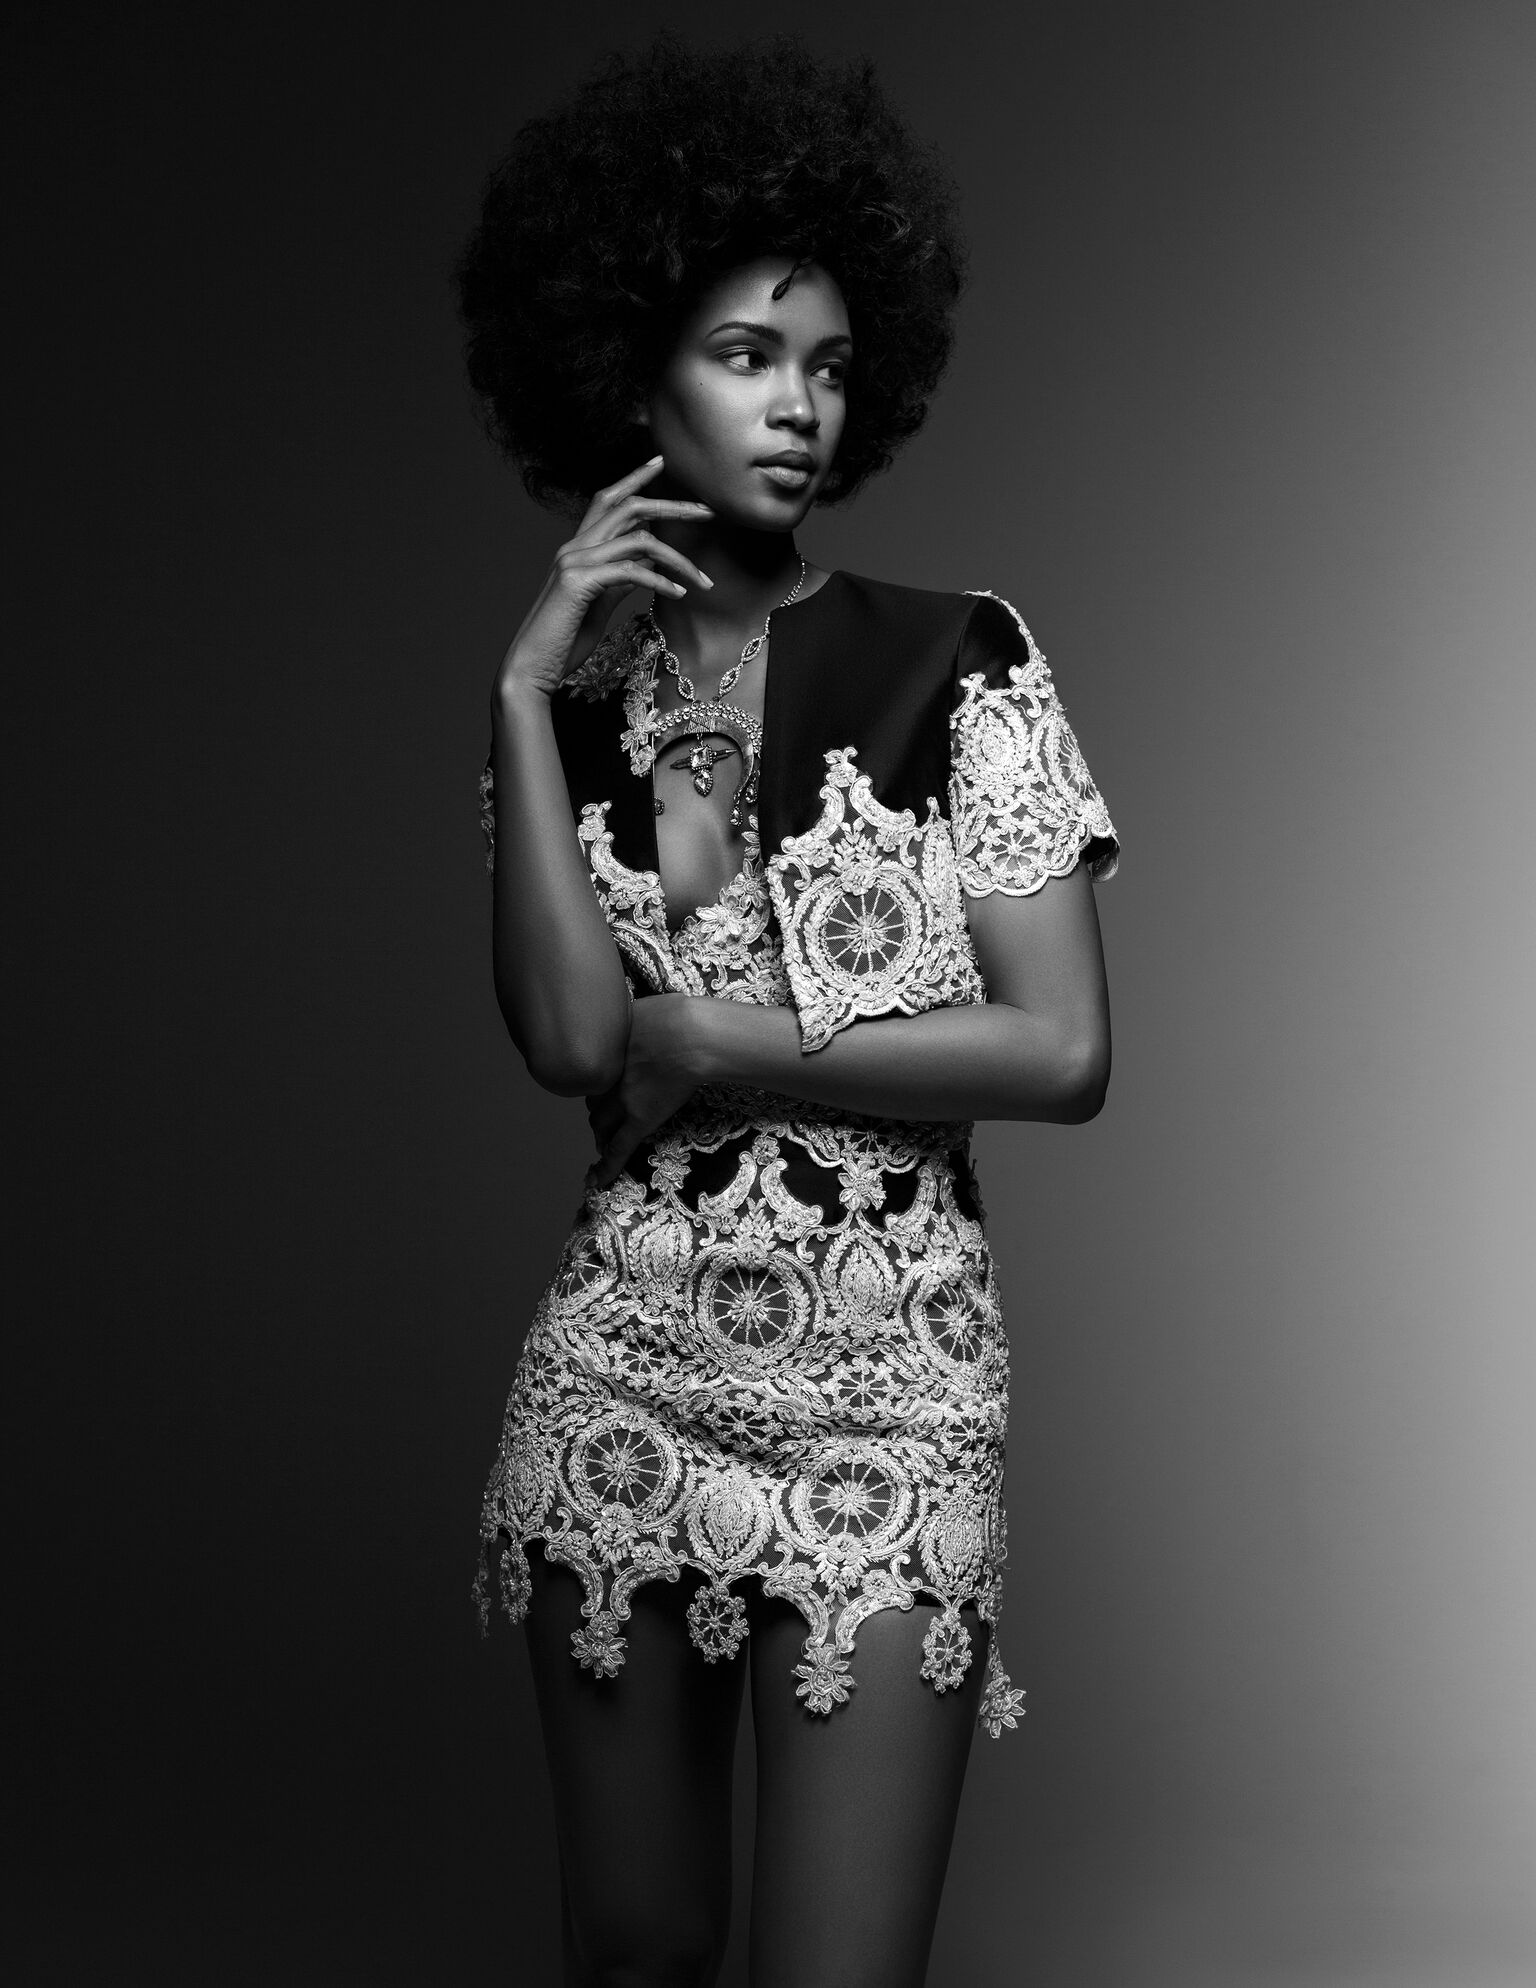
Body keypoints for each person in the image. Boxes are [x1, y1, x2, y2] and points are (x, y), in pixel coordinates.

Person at [457, 33, 1118, 1988]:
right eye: (749, 354)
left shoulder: (958, 656)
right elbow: (569, 1046)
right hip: (623, 1377)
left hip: (896, 1394)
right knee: (637, 1951)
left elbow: (1063, 1051)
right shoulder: (577, 704)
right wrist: (520, 696)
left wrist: (723, 1040)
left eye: (828, 364)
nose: (799, 404)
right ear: (634, 375)